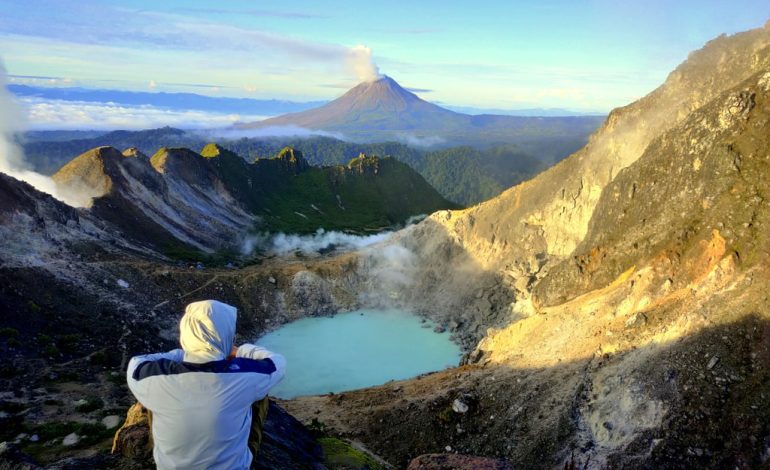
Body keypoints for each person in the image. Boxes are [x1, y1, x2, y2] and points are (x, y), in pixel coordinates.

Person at [126, 300, 285, 470]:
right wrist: (237, 351)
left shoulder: (150, 377)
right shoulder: (243, 377)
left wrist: (184, 353)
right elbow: (278, 363)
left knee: (153, 401)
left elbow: (137, 361)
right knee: (259, 394)